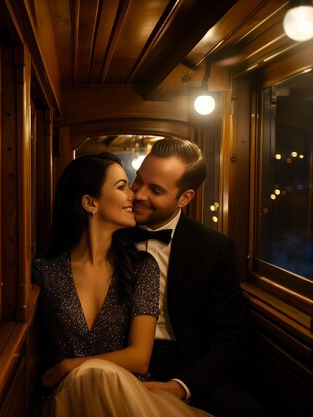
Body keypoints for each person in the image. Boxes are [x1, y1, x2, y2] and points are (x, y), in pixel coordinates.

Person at [32, 152, 212, 417]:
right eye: (122, 186)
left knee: (98, 378)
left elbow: (139, 358)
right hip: (69, 397)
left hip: (126, 390)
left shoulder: (142, 267)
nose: (134, 196)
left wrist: (69, 366)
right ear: (89, 203)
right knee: (87, 381)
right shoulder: (44, 271)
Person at [130, 138, 268, 417]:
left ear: (185, 198)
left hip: (189, 363)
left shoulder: (214, 248)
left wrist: (181, 387)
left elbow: (232, 339)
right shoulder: (111, 233)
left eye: (155, 190)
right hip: (123, 357)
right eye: (138, 181)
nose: (139, 195)